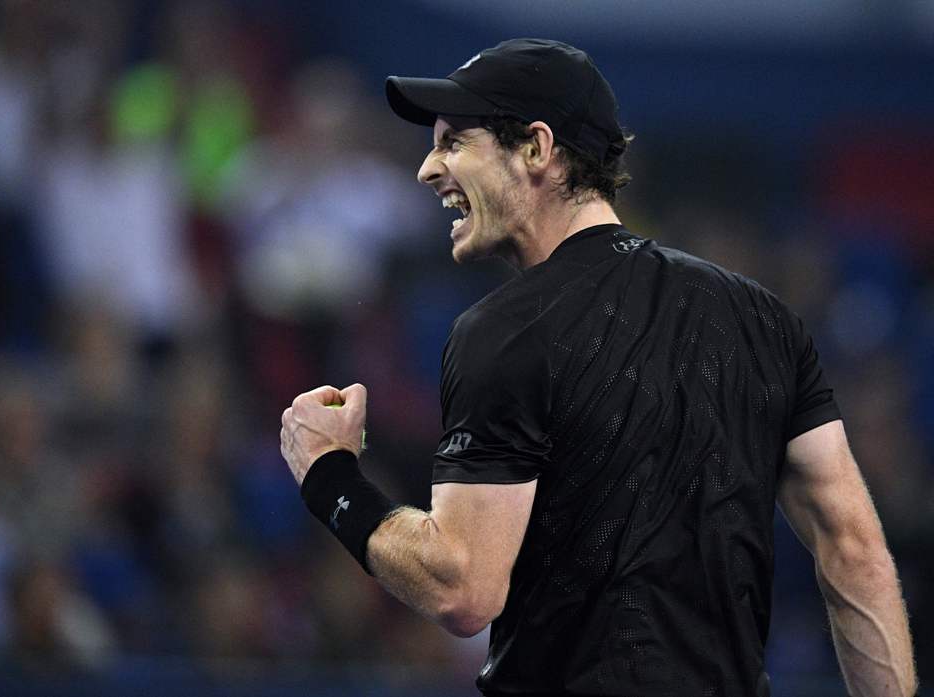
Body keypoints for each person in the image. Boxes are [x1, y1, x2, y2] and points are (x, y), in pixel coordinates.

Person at [279, 38, 916, 696]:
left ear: (536, 148)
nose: (428, 169)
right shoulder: (763, 319)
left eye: (454, 143)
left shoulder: (505, 330)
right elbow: (855, 552)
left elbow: (462, 587)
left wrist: (331, 478)